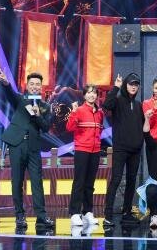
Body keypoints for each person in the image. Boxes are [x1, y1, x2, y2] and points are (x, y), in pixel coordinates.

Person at [0, 70, 55, 229]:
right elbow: (10, 94)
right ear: (27, 85)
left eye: (38, 84)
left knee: (37, 182)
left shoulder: (45, 106)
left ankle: (41, 217)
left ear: (41, 87)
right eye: (32, 84)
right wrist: (6, 83)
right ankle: (19, 216)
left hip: (33, 147)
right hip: (16, 144)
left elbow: (46, 127)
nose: (35, 86)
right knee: (17, 181)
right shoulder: (20, 99)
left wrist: (38, 115)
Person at [102, 73, 144, 226]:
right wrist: (116, 87)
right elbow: (106, 105)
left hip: (135, 150)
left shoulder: (138, 105)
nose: (134, 86)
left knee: (132, 181)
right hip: (120, 149)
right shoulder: (118, 100)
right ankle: (107, 215)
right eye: (131, 84)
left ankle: (127, 212)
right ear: (126, 85)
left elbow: (142, 125)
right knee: (116, 179)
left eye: (136, 84)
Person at [66, 85, 104, 227]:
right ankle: (75, 213)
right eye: (88, 93)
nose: (91, 95)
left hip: (95, 151)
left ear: (97, 96)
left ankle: (87, 211)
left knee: (90, 183)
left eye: (94, 93)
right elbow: (69, 128)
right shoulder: (79, 110)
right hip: (82, 150)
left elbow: (99, 130)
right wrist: (73, 112)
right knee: (79, 182)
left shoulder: (99, 113)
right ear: (84, 95)